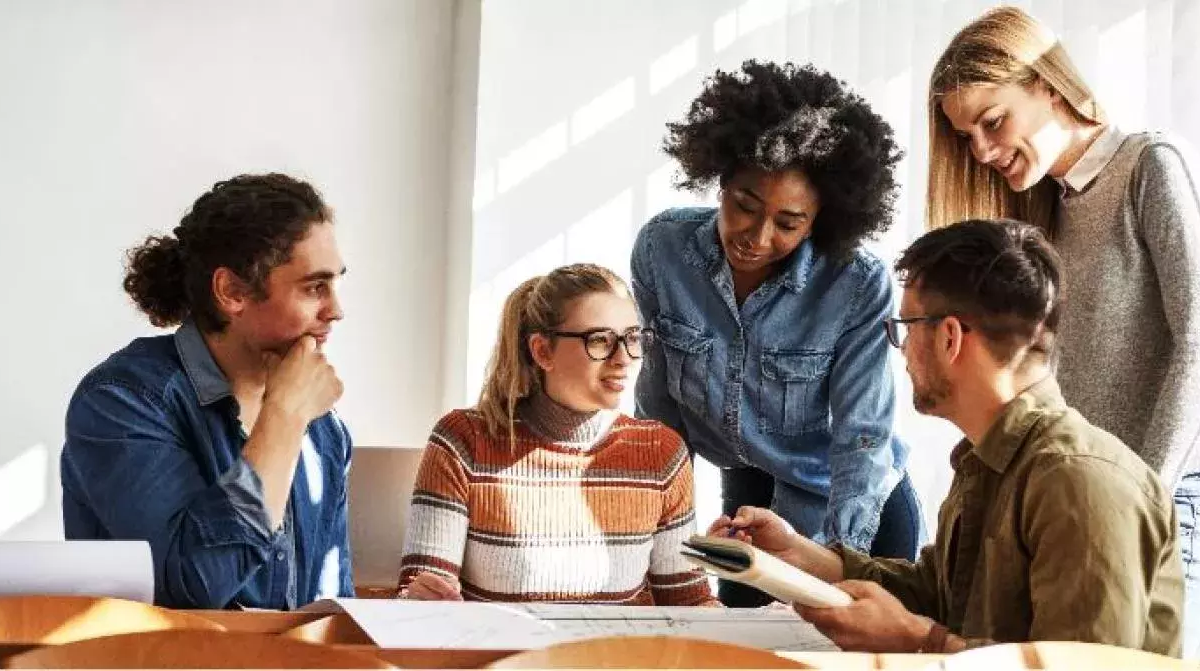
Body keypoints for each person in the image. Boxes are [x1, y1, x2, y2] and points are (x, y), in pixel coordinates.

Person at [712, 219, 1183, 655]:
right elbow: (939, 594)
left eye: (904, 328)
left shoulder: (1079, 483)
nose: (900, 352)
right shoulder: (987, 460)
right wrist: (800, 556)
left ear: (950, 337)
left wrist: (918, 642)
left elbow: (1078, 669)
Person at [924, 6, 1200, 654]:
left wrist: (1137, 495)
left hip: (1166, 504)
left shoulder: (1152, 167)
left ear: (1046, 82)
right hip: (1080, 511)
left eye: (992, 121)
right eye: (967, 137)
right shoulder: (1045, 212)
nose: (981, 150)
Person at [631, 60, 924, 606]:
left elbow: (863, 436)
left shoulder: (856, 285)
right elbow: (659, 410)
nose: (757, 236)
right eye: (744, 205)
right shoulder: (662, 251)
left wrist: (840, 560)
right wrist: (657, 544)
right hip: (750, 498)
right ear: (720, 182)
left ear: (821, 220)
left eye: (789, 223)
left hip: (854, 509)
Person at [62, 173, 352, 609]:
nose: (336, 310)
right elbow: (193, 588)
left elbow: (330, 608)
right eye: (314, 287)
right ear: (232, 291)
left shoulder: (324, 430)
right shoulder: (121, 401)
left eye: (336, 284)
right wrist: (284, 418)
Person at [398, 264, 717, 607]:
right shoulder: (463, 441)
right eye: (600, 340)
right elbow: (419, 599)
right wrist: (423, 601)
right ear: (542, 351)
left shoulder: (661, 453)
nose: (623, 358)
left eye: (632, 338)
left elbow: (688, 604)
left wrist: (772, 619)